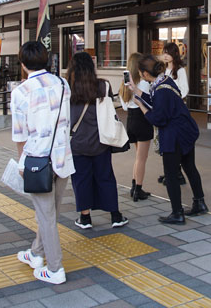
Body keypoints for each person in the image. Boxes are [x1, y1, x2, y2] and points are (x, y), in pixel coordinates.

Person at [13, 42, 74, 285]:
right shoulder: (62, 83)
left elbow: (20, 135)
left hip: (38, 161)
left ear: (23, 63)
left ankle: (55, 268)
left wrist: (22, 162)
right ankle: (36, 253)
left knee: (46, 216)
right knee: (51, 212)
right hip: (63, 158)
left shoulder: (21, 91)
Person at [131, 55, 205, 224]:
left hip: (174, 135)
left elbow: (158, 118)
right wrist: (138, 92)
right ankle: (199, 203)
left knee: (171, 175)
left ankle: (177, 213)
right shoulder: (164, 81)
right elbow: (157, 101)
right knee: (190, 167)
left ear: (144, 73)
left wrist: (141, 105)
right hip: (186, 131)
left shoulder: (161, 89)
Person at [67, 52, 128, 229]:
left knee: (81, 179)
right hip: (101, 141)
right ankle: (115, 216)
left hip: (77, 143)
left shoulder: (68, 87)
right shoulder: (103, 86)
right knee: (106, 177)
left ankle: (85, 218)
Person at [119, 52, 153, 201]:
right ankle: (138, 189)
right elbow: (149, 102)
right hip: (142, 119)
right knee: (142, 158)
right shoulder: (144, 83)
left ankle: (134, 186)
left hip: (130, 120)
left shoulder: (125, 84)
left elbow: (124, 107)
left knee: (138, 157)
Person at [158, 42, 188, 186]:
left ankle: (176, 173)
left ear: (174, 54)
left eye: (167, 53)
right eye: (164, 52)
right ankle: (171, 172)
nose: (165, 55)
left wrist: (174, 99)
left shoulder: (180, 70)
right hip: (165, 110)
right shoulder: (163, 70)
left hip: (176, 110)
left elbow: (185, 89)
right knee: (167, 142)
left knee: (176, 142)